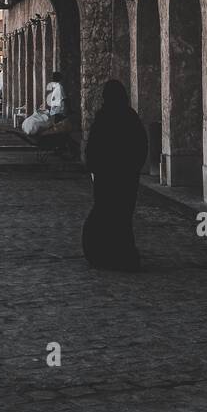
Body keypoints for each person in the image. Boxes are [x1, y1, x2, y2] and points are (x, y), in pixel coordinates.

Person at [81, 79, 148, 272]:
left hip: (106, 177)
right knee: (123, 216)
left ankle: (104, 254)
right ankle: (124, 254)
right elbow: (141, 145)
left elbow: (93, 147)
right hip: (126, 177)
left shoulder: (103, 117)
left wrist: (95, 168)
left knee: (106, 212)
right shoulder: (130, 116)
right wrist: (133, 168)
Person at [21, 70, 67, 137]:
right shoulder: (57, 87)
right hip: (56, 111)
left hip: (55, 112)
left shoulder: (57, 87)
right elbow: (59, 99)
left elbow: (59, 99)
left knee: (44, 122)